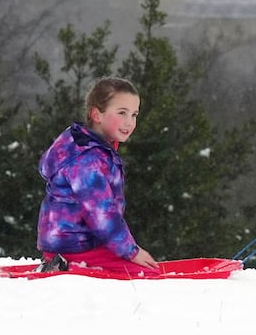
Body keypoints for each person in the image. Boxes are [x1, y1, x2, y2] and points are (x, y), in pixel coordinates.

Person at [35, 77, 161, 277]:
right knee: (145, 275)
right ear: (96, 114)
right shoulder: (87, 159)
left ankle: (64, 263)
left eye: (134, 114)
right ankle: (67, 268)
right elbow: (101, 213)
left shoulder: (94, 148)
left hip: (79, 242)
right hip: (75, 246)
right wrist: (131, 251)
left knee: (143, 269)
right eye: (122, 113)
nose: (130, 122)